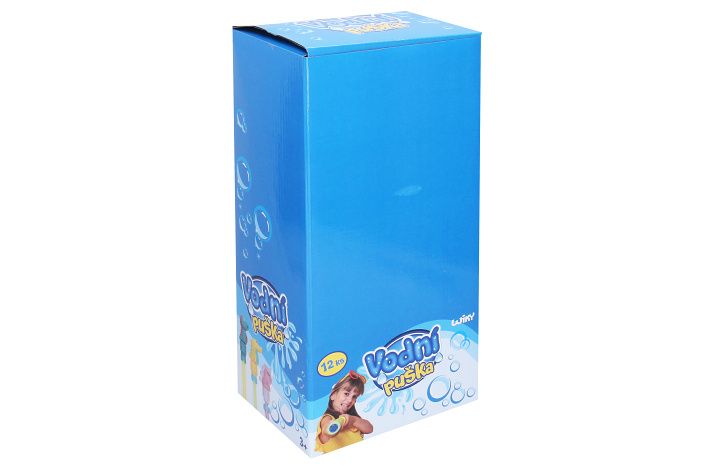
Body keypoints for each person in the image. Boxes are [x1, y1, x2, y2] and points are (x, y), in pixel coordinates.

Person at [315, 370, 374, 453]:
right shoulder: (327, 418)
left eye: (354, 396)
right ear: (333, 395)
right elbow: (327, 430)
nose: (350, 400)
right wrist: (339, 423)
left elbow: (369, 429)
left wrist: (352, 420)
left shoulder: (352, 420)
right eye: (346, 394)